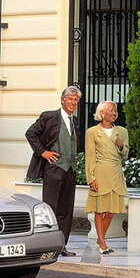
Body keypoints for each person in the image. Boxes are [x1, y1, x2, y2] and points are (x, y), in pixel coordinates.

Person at [26, 85, 81, 256]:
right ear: (62, 100)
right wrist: (43, 152)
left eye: (76, 100)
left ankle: (61, 246)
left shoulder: (74, 121)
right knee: (50, 210)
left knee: (66, 211)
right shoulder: (49, 117)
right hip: (54, 170)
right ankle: (47, 246)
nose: (73, 102)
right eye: (70, 99)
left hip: (69, 170)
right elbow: (30, 134)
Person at [84, 101, 128, 254]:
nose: (114, 113)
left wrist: (121, 145)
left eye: (115, 110)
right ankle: (102, 243)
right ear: (102, 113)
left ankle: (100, 239)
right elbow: (90, 157)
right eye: (111, 110)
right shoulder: (92, 132)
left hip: (116, 173)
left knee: (111, 211)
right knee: (99, 210)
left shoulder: (122, 131)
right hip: (100, 173)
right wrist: (91, 178)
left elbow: (126, 154)